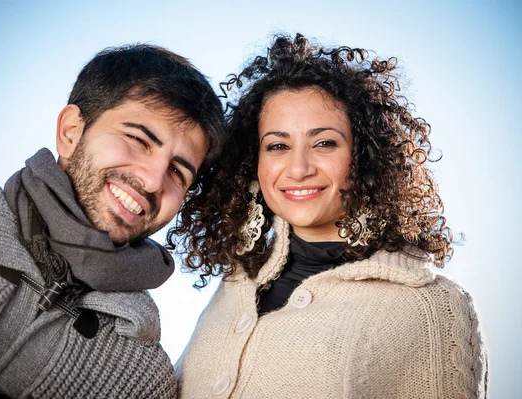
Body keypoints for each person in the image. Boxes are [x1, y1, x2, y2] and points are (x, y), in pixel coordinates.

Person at [170, 34, 488, 398]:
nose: (299, 168)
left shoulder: (430, 307)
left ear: (365, 156)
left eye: (324, 143)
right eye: (278, 146)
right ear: (253, 162)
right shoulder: (236, 284)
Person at [0, 44, 225, 398]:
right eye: (139, 141)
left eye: (177, 171)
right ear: (70, 132)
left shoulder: (144, 382)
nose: (154, 181)